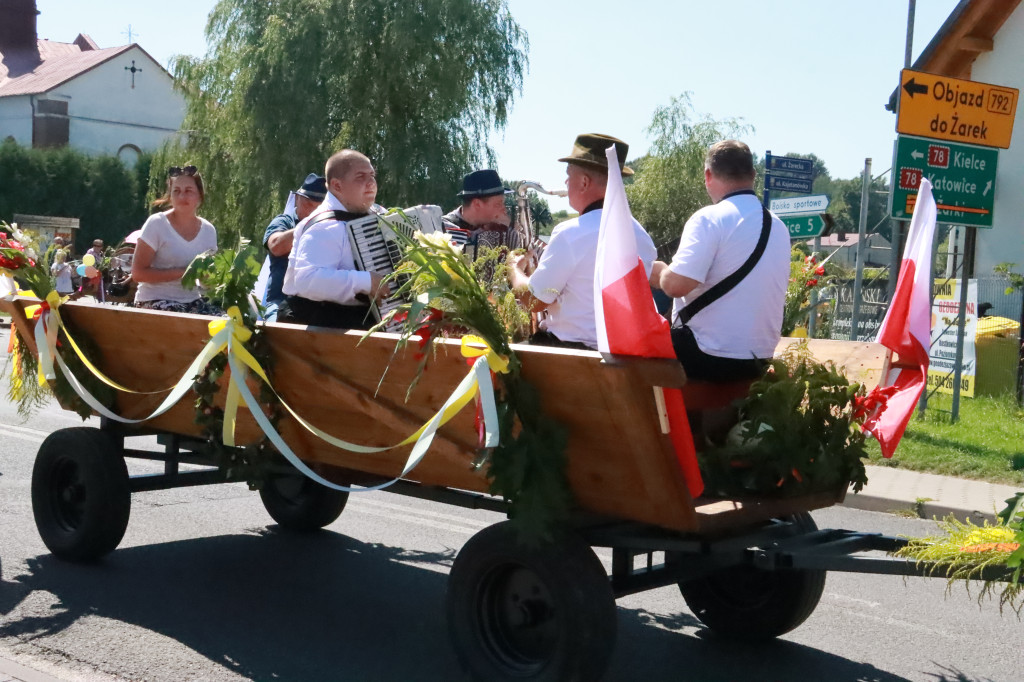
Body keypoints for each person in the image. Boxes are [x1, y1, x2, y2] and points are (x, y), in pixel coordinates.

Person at [649, 140, 790, 382]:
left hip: (707, 356)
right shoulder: (778, 226)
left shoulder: (709, 218)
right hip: (759, 359)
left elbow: (675, 287)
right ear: (753, 175)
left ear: (708, 175)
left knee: (625, 350)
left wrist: (659, 271)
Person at [508, 133, 657, 350]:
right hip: (627, 355)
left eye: (569, 176)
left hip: (573, 357)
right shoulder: (641, 235)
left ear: (584, 182)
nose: (566, 182)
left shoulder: (570, 234)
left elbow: (534, 302)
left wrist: (514, 270)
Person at [278, 150, 390, 329]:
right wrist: (366, 282)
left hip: (357, 319)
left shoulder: (378, 214)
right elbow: (307, 280)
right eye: (360, 177)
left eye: (372, 175)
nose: (371, 183)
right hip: (318, 323)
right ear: (337, 186)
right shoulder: (323, 226)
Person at [131, 164, 220, 315]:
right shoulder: (157, 223)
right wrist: (184, 272)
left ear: (199, 194)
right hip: (154, 301)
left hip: (192, 302)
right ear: (170, 195)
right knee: (183, 321)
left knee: (231, 325)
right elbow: (138, 273)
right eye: (176, 191)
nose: (182, 197)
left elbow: (207, 285)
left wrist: (211, 278)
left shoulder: (209, 231)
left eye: (188, 191)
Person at [262, 173, 328, 322]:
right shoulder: (284, 221)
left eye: (319, 208)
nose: (313, 212)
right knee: (279, 332)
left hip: (316, 304)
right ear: (297, 199)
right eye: (308, 205)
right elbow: (276, 246)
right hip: (280, 301)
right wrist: (309, 225)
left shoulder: (330, 228)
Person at [442, 169, 521, 261]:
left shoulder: (504, 230)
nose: (504, 209)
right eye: (498, 204)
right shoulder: (441, 228)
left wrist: (515, 230)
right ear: (477, 204)